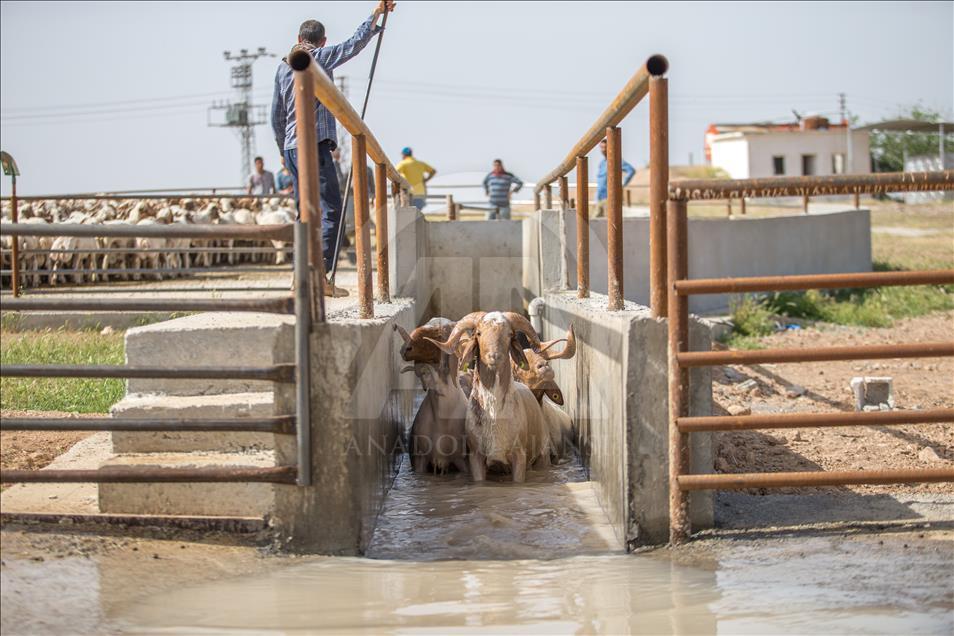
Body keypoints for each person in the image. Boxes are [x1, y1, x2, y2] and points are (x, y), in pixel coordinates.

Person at [271, 0, 394, 297]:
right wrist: (375, 16)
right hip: (313, 145)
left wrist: (282, 149)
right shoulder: (320, 57)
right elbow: (353, 44)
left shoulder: (282, 66)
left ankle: (299, 275)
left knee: (305, 212)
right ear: (321, 41)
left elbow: (276, 113)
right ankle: (320, 276)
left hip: (290, 146)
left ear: (300, 39)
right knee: (331, 210)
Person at [595, 137, 636, 217]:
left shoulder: (616, 160)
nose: (603, 150)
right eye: (601, 147)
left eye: (605, 147)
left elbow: (631, 170)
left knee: (610, 221)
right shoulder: (602, 163)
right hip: (600, 197)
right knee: (596, 221)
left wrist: (622, 184)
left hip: (610, 197)